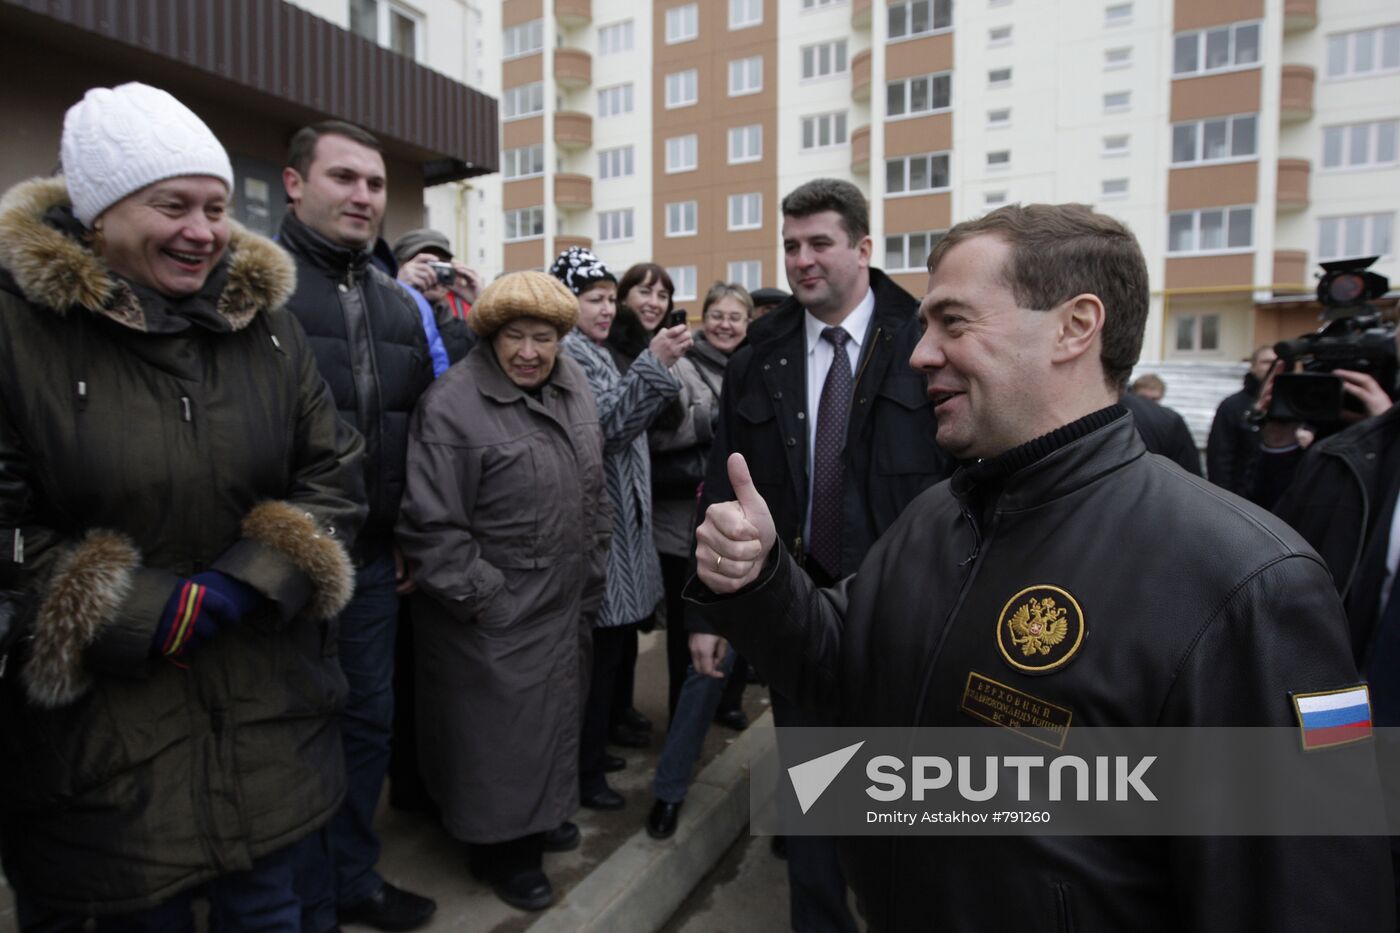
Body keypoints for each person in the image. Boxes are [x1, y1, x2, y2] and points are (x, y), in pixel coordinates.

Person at [688, 202, 1393, 931]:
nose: (920, 352)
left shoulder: (1254, 581)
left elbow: (1315, 895)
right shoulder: (939, 513)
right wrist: (759, 578)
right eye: (926, 324)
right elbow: (837, 660)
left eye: (954, 322)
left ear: (1074, 326)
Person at [0, 82, 365, 929]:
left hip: (268, 719)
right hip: (105, 756)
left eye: (216, 205)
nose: (204, 232)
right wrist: (138, 609)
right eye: (173, 205)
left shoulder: (265, 327)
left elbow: (336, 471)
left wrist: (254, 578)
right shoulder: (17, 331)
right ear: (97, 212)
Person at [685, 178, 952, 932]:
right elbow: (722, 484)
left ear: (864, 248)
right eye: (791, 245)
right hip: (801, 613)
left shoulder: (927, 338)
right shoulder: (759, 354)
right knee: (816, 804)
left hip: (911, 613)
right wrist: (711, 612)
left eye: (819, 243)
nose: (802, 261)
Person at [395, 271, 610, 911]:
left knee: (548, 723)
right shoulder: (453, 405)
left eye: (543, 337)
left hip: (563, 599)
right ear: (489, 337)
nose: (528, 352)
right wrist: (492, 602)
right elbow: (433, 528)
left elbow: (592, 486)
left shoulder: (573, 389)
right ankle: (501, 854)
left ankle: (538, 819)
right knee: (498, 739)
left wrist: (593, 567)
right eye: (514, 336)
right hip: (493, 612)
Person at [278, 120, 436, 932]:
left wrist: (408, 531)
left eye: (375, 184)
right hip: (280, 568)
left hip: (376, 564)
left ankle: (352, 880)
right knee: (291, 736)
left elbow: (411, 428)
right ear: (295, 183)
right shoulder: (259, 291)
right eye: (345, 178)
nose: (364, 196)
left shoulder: (398, 304)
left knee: (367, 722)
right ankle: (298, 900)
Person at [553, 246, 691, 810]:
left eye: (611, 299)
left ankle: (596, 754)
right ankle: (585, 774)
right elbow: (609, 426)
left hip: (625, 526)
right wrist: (654, 363)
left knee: (612, 654)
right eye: (594, 299)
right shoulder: (570, 352)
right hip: (601, 528)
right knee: (598, 660)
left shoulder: (598, 350)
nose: (607, 309)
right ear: (568, 302)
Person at [646, 282, 754, 839]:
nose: (726, 324)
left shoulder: (762, 366)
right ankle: (668, 790)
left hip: (769, 533)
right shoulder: (685, 364)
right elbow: (662, 434)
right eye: (717, 314)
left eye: (737, 316)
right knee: (702, 668)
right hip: (709, 531)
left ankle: (805, 818)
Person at [392, 226, 477, 363]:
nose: (434, 274)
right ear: (400, 269)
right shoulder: (383, 318)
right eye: (425, 264)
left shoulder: (463, 332)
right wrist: (396, 289)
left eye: (442, 266)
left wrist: (480, 301)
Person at [1206, 344, 1276, 494]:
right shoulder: (1232, 406)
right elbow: (1220, 458)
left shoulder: (1299, 407)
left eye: (1278, 362)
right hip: (1243, 496)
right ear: (1253, 367)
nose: (1273, 367)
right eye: (1266, 362)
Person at [1120, 389, 1201, 475]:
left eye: (1154, 399)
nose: (1149, 403)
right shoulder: (1169, 419)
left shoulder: (1169, 421)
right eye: (1144, 398)